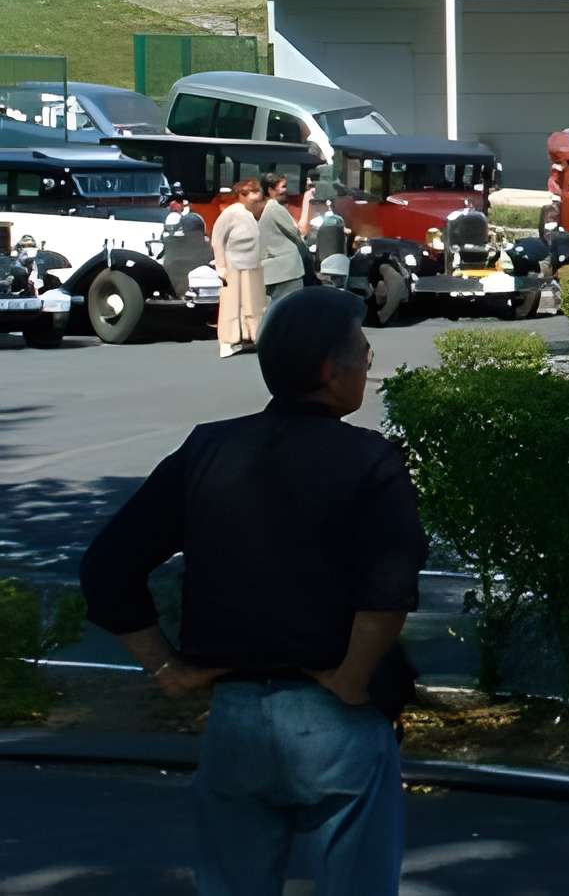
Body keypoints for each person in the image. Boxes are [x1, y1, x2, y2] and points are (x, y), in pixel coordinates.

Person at [78, 286, 426, 896]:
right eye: (364, 357)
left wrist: (166, 668)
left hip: (234, 716)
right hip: (335, 716)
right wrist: (352, 676)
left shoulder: (209, 448)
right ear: (329, 370)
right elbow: (387, 592)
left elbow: (108, 565)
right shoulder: (369, 459)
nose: (368, 369)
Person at [211, 175, 268, 359]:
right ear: (243, 194)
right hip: (233, 264)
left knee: (253, 303)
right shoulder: (231, 212)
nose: (258, 196)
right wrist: (220, 266)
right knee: (231, 303)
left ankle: (249, 336)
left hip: (252, 264)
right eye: (254, 192)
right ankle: (227, 341)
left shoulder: (249, 213)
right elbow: (217, 240)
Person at [257, 171, 310, 306]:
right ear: (270, 190)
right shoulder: (275, 209)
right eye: (283, 186)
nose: (286, 190)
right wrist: (307, 201)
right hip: (286, 272)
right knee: (289, 309)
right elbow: (298, 233)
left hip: (274, 271)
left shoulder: (265, 209)